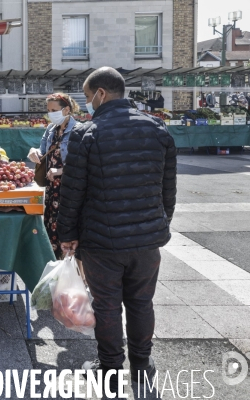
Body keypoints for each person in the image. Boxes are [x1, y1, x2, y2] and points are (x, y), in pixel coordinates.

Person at [57, 67, 177, 399]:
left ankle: (110, 370)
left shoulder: (87, 133)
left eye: (86, 96)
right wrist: (158, 224)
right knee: (141, 302)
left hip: (101, 240)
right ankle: (142, 365)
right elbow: (168, 190)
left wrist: (66, 234)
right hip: (146, 241)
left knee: (107, 305)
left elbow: (73, 192)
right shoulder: (157, 129)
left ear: (101, 94)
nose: (87, 103)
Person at [27, 93, 81, 259]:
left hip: (69, 189)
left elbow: (82, 162)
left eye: (54, 110)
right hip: (52, 189)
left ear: (66, 110)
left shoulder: (78, 131)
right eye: (48, 110)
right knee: (51, 227)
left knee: (68, 230)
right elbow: (42, 151)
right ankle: (56, 268)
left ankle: (74, 273)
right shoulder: (51, 129)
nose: (50, 114)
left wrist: (61, 171)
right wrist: (34, 152)